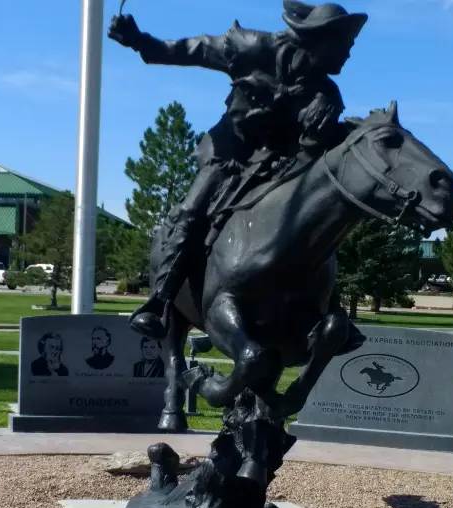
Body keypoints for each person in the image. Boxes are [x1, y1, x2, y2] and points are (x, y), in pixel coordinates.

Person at [108, 1, 368, 354]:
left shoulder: (327, 95)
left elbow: (319, 151)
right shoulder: (250, 47)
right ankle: (160, 301)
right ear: (318, 40)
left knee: (311, 224)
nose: (349, 55)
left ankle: (327, 309)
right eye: (346, 45)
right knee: (191, 211)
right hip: (231, 152)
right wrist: (141, 41)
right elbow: (193, 50)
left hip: (278, 165)